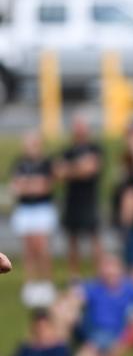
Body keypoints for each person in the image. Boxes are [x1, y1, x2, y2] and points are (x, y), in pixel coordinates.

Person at [10, 130, 58, 306]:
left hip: (42, 209)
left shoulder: (46, 163)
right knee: (28, 248)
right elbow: (16, 187)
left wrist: (27, 184)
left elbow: (44, 187)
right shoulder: (20, 163)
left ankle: (46, 283)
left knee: (42, 247)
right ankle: (30, 285)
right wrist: (31, 184)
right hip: (25, 210)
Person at [57, 114, 103, 277]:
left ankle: (98, 274)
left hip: (89, 200)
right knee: (72, 240)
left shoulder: (95, 148)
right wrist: (79, 167)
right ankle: (74, 276)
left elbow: (91, 169)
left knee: (94, 239)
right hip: (72, 201)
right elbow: (59, 172)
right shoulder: (67, 151)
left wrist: (71, 169)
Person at [73, 253, 133, 356]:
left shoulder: (131, 288)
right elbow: (75, 298)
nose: (110, 271)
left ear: (121, 269)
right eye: (106, 267)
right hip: (96, 335)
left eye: (113, 266)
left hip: (122, 335)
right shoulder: (93, 287)